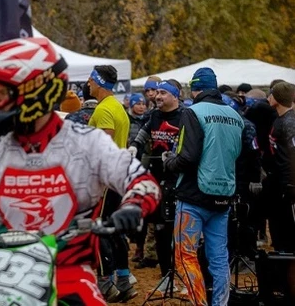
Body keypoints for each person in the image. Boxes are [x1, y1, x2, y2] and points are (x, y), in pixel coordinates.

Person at [0, 37, 160, 306]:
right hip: (3, 276)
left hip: (68, 278)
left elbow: (141, 180)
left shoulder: (86, 143)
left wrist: (133, 206)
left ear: (37, 93)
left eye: (2, 93)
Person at [163, 67, 243, 306]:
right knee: (219, 258)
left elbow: (188, 156)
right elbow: (242, 156)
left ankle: (199, 303)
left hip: (193, 196)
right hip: (224, 196)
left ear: (195, 89)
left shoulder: (193, 112)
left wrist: (169, 163)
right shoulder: (235, 115)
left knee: (184, 256)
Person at [87, 65, 135, 301]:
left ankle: (106, 283)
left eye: (90, 80)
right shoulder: (117, 106)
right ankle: (124, 281)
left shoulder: (105, 109)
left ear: (98, 81)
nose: (87, 84)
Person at [130, 80, 184, 276]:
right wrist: (135, 145)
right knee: (159, 226)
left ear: (175, 96)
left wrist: (177, 157)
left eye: (163, 92)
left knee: (177, 227)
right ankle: (165, 271)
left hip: (179, 178)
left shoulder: (185, 116)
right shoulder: (154, 115)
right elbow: (144, 132)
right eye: (157, 92)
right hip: (157, 177)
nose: (158, 96)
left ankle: (182, 268)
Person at [265, 80, 295, 252]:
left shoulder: (290, 122)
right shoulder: (279, 119)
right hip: (278, 182)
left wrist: (290, 182)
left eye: (271, 94)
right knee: (278, 229)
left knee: (288, 231)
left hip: (288, 185)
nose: (268, 97)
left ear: (277, 98)